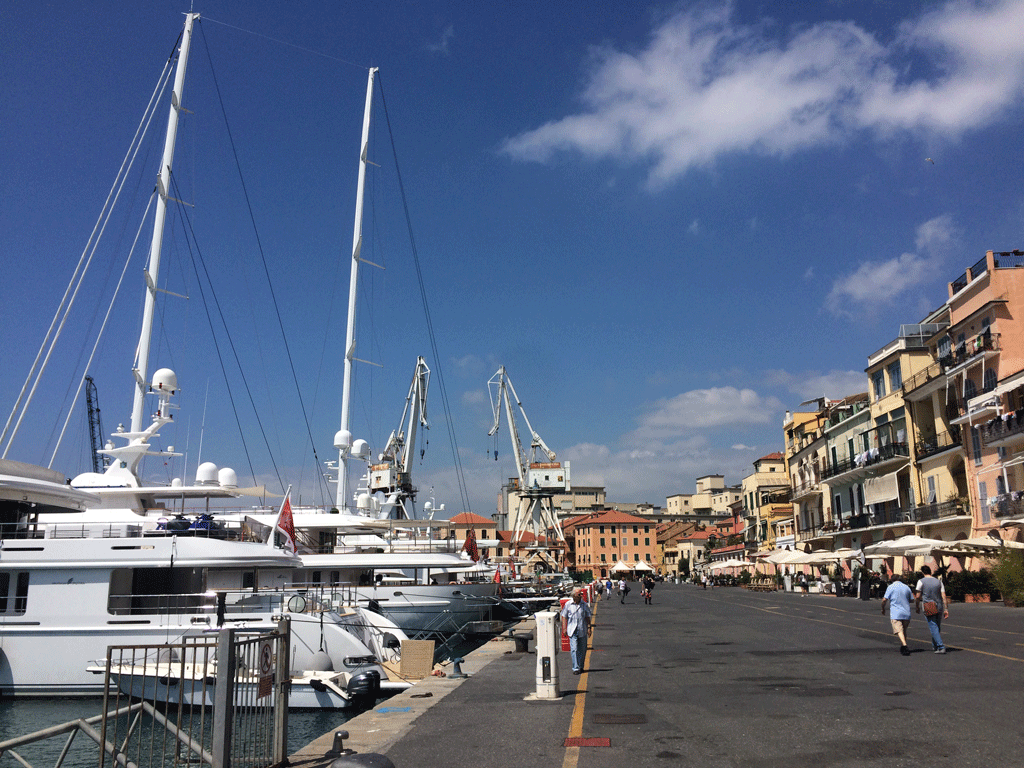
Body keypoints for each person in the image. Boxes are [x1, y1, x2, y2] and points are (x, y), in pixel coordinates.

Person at [915, 565, 949, 654]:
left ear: (922, 572)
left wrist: (917, 606)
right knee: (937, 626)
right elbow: (944, 596)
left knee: (933, 626)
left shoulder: (921, 581)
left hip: (928, 605)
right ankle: (935, 645)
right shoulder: (938, 581)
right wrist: (946, 608)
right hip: (939, 605)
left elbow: (918, 596)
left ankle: (941, 646)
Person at [560, 587, 592, 674]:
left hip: (582, 628)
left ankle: (581, 666)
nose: (581, 595)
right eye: (579, 594)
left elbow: (587, 616)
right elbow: (564, 616)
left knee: (582, 649)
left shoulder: (584, 604)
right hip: (572, 629)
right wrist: (564, 628)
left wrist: (589, 628)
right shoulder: (568, 605)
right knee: (574, 649)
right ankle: (576, 668)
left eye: (581, 594)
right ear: (574, 595)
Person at [881, 573, 914, 656]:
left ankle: (905, 646)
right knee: (903, 630)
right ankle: (903, 645)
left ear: (892, 580)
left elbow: (884, 599)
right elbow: (912, 599)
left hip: (896, 613)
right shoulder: (906, 587)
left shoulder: (891, 587)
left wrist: (883, 608)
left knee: (899, 630)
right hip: (906, 612)